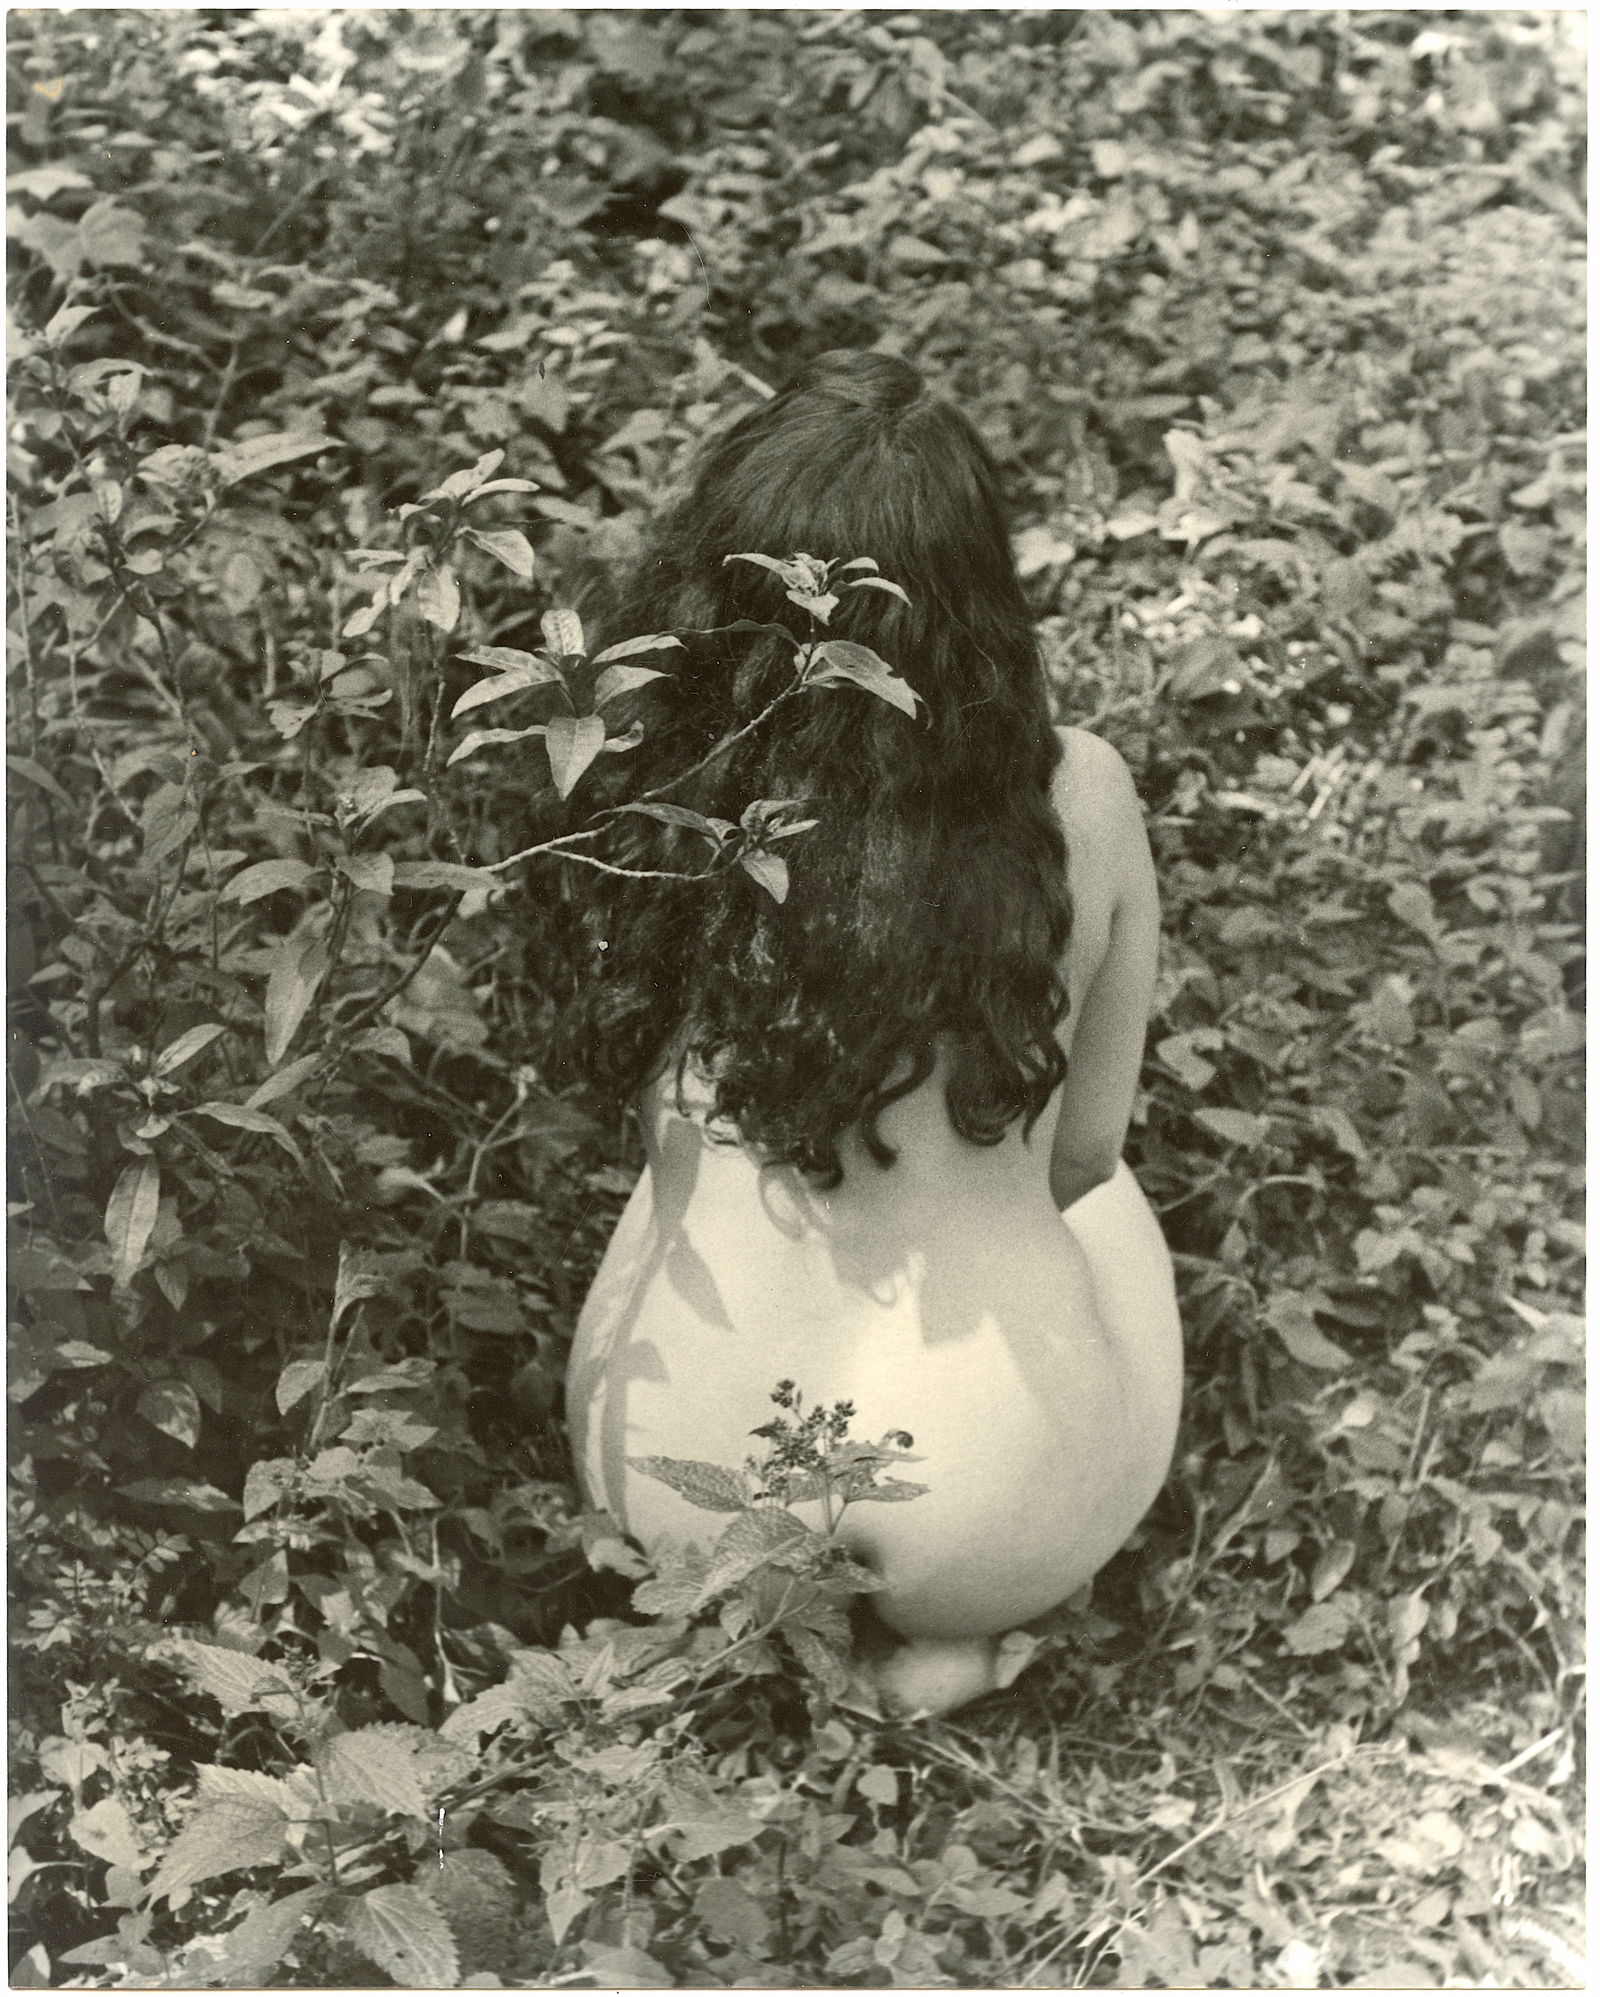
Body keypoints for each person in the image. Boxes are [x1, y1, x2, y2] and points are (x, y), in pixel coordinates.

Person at [562, 350, 1182, 1715]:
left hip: (676, 1488)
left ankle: (742, 1634)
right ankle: (931, 1656)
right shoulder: (1082, 793)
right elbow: (1081, 1156)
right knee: (1105, 1188)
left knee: (689, 1152)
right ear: (980, 600)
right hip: (990, 1506)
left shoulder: (660, 785)